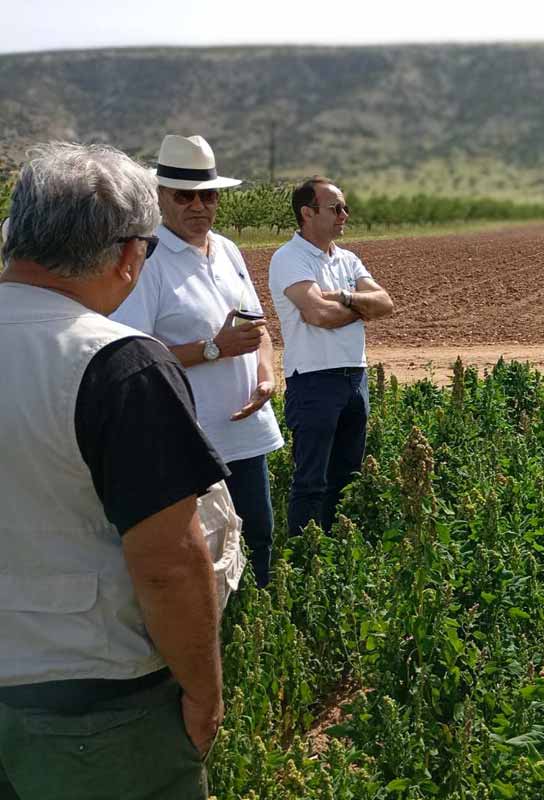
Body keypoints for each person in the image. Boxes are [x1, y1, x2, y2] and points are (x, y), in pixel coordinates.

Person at [0, 143, 229, 798]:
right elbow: (168, 565)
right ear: (130, 254)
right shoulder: (119, 365)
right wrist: (203, 698)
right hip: (97, 711)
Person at [114, 134, 283, 588]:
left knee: (258, 539)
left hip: (243, 433)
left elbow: (258, 327)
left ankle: (258, 644)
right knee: (202, 561)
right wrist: (213, 349)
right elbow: (131, 354)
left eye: (207, 195)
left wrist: (266, 375)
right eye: (184, 196)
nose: (198, 206)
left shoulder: (227, 249)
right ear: (160, 198)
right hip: (189, 440)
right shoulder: (147, 259)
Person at [269, 177, 395, 539]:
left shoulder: (348, 259)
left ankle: (337, 556)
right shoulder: (288, 258)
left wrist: (342, 297)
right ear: (307, 213)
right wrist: (360, 306)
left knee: (347, 477)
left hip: (355, 377)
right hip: (313, 380)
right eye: (335, 208)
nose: (345, 214)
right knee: (311, 481)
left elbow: (386, 303)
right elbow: (318, 316)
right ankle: (307, 561)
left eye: (345, 207)